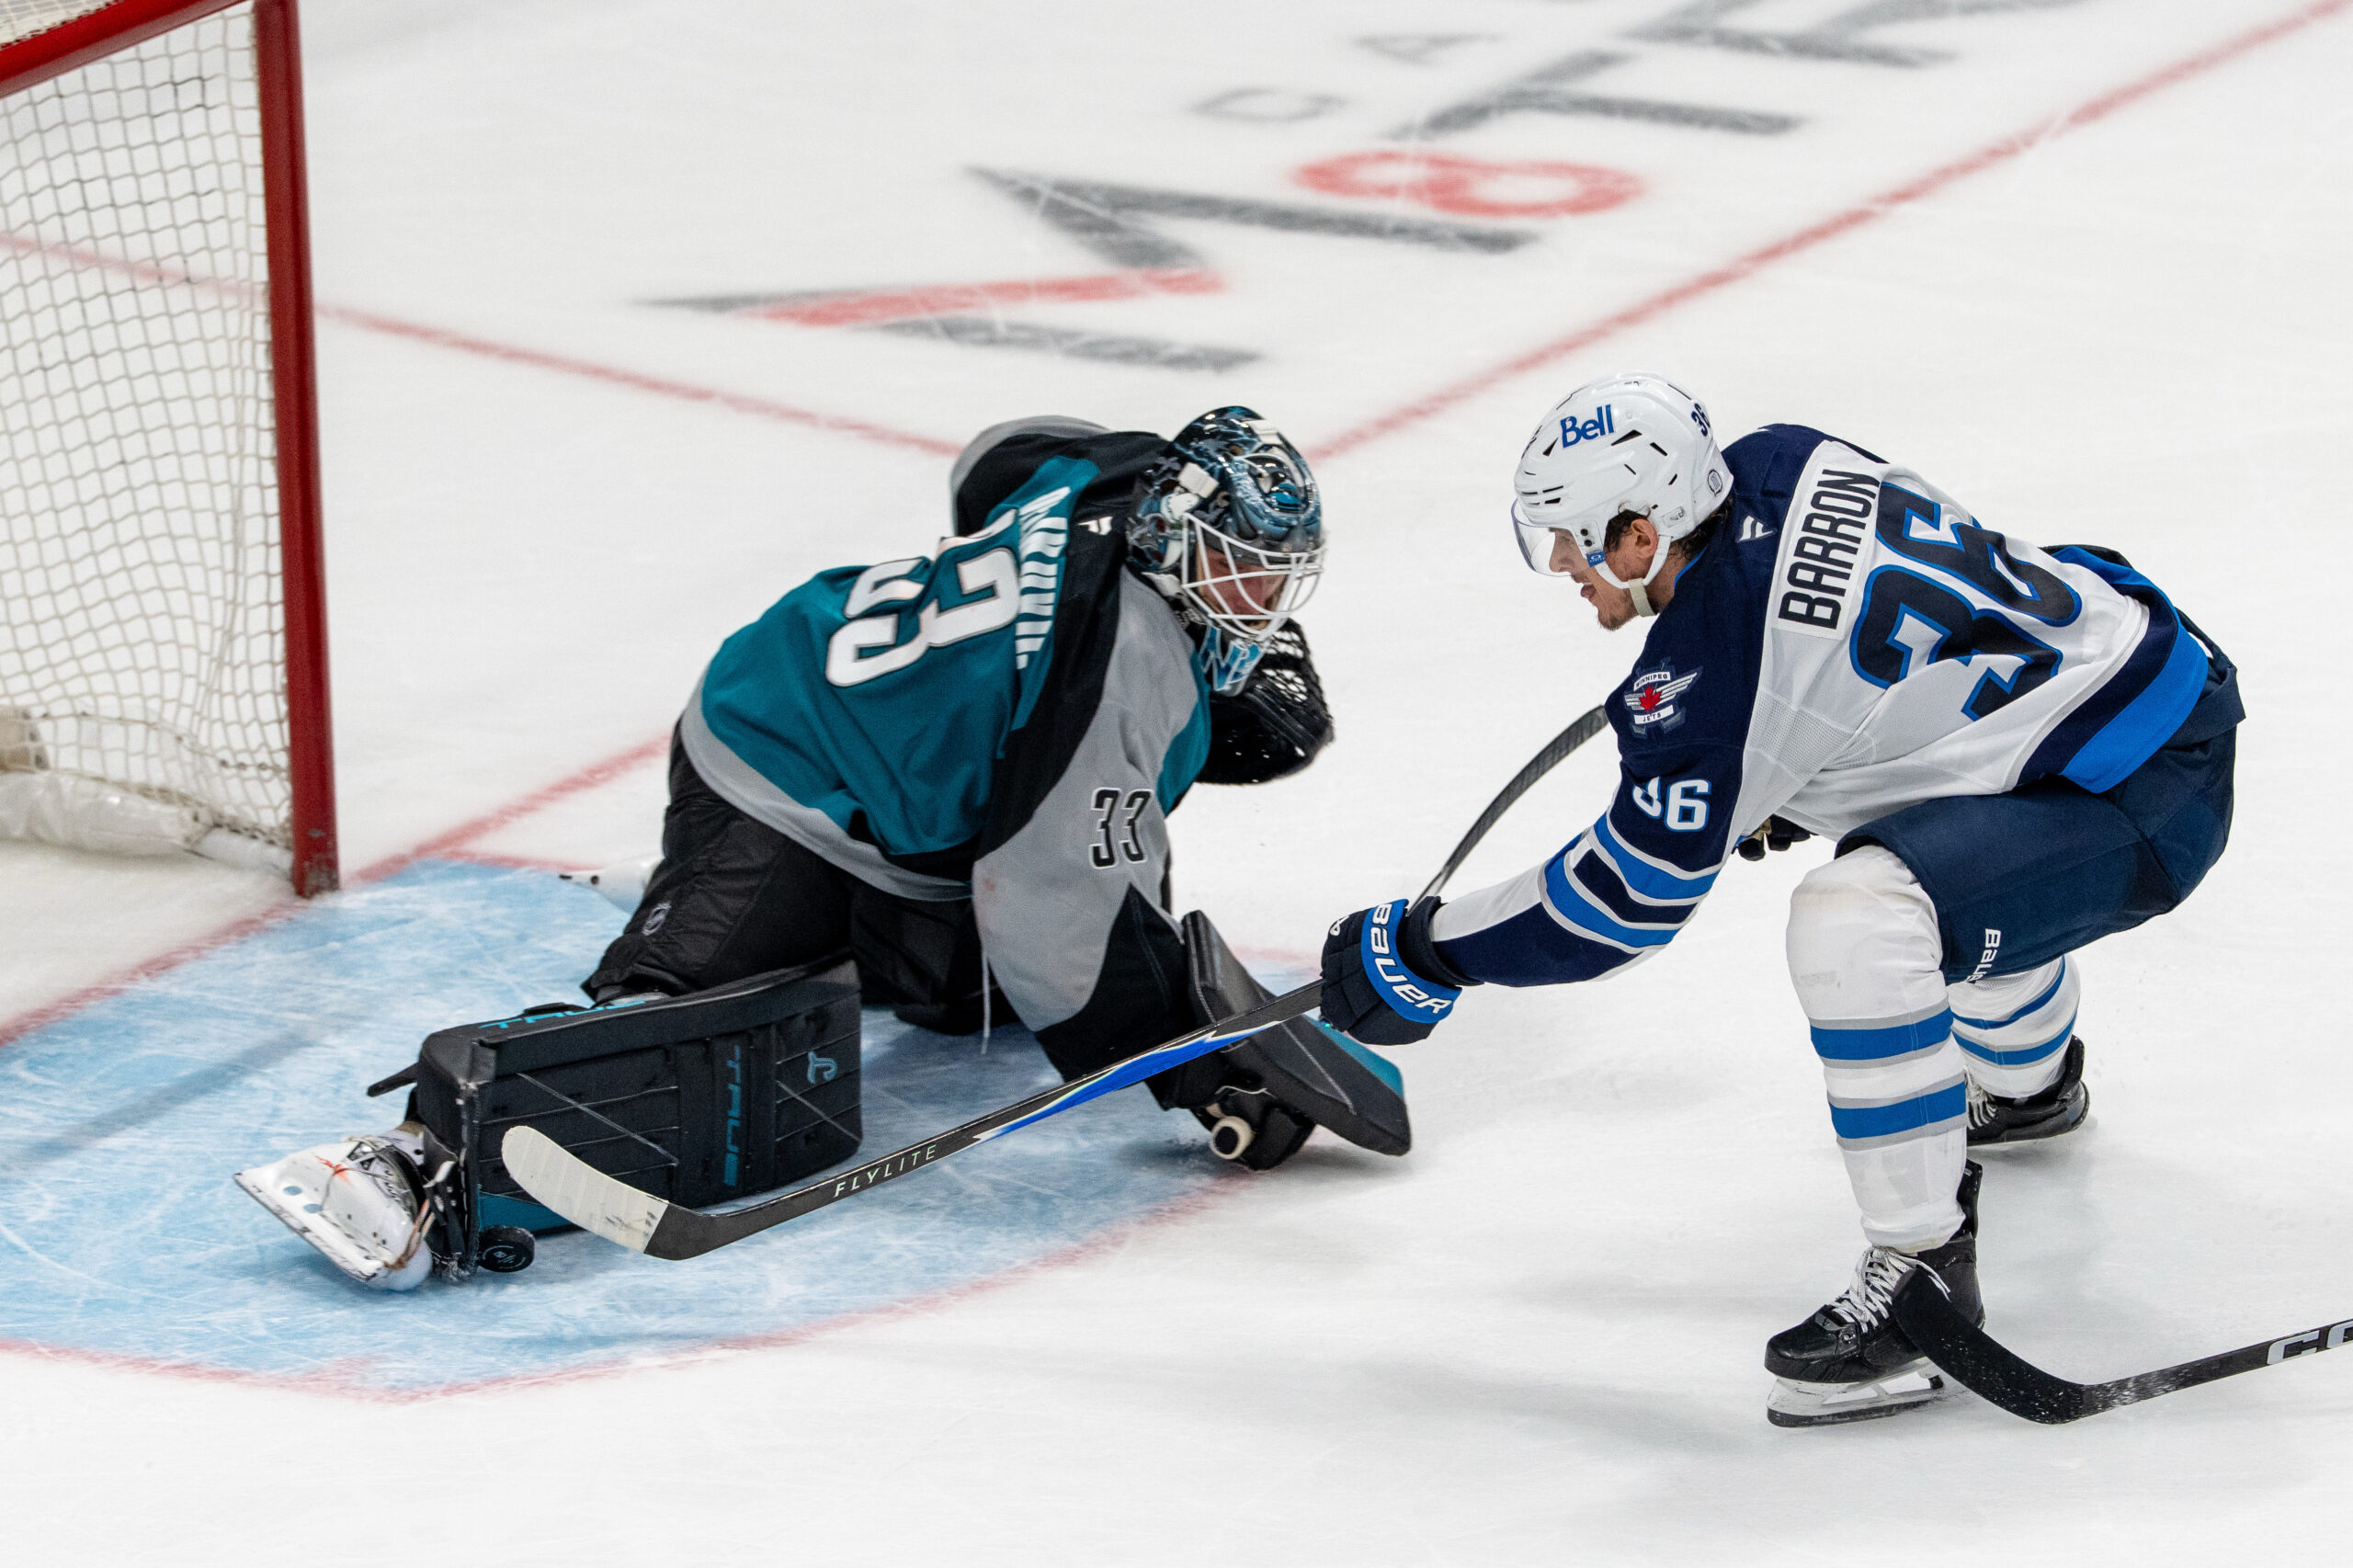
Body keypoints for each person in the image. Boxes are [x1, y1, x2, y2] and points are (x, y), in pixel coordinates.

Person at [241, 408, 1347, 1291]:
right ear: (1176, 534)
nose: (1256, 602)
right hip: (781, 756)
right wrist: (1191, 1066)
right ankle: (412, 1161)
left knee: (983, 1004)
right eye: (1239, 567)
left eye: (1272, 573)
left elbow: (997, 458)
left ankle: (835, 926)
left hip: (884, 758)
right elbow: (1053, 910)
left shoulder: (1123, 473)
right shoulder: (1124, 664)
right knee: (691, 1032)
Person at [1316, 372, 2240, 1426]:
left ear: (1637, 531)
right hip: (2119, 666)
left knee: (1861, 919)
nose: (1566, 566)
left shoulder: (1713, 680)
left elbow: (1623, 900)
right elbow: (1853, 659)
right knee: (1945, 863)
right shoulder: (1785, 454)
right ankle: (2029, 1088)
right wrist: (1791, 771)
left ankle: (1924, 1280)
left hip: (2142, 792)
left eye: (1576, 541)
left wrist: (1433, 950)